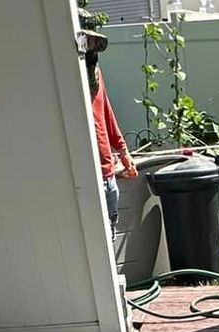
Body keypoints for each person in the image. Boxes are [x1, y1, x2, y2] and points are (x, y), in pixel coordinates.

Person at [81, 30, 136, 225]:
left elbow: (105, 112)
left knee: (109, 238)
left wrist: (123, 152)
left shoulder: (95, 73)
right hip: (85, 180)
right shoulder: (68, 81)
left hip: (108, 176)